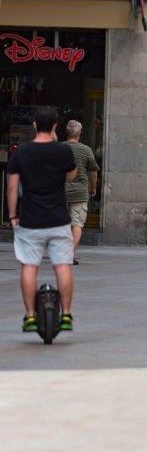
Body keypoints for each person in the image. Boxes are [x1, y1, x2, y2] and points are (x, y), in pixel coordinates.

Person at [6, 106, 78, 333]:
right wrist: (56, 143)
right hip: (58, 219)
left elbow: (12, 186)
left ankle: (29, 317)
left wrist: (12, 216)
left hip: (30, 221)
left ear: (35, 125)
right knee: (62, 265)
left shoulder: (22, 152)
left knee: (29, 266)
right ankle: (66, 315)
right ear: (55, 126)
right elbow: (72, 175)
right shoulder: (63, 152)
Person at [63, 120, 100, 265]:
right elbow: (93, 172)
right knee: (77, 223)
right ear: (80, 134)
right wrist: (93, 188)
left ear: (66, 132)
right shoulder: (86, 150)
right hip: (80, 192)